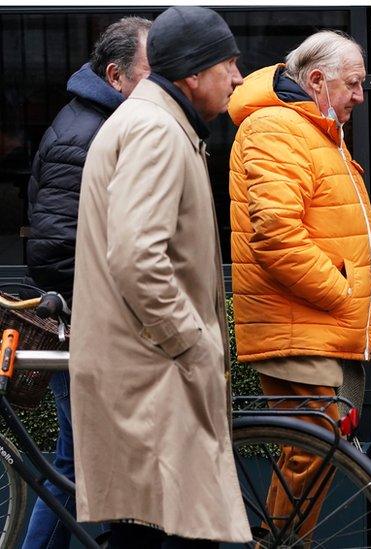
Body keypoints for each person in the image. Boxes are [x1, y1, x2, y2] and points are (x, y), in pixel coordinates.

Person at [68, 6, 249, 548]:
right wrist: (190, 340)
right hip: (153, 374)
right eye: (228, 65)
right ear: (193, 75)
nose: (238, 78)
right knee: (176, 531)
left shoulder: (153, 121)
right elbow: (136, 256)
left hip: (145, 372)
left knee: (149, 532)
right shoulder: (157, 130)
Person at [227, 29, 371, 540]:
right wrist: (342, 292)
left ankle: (283, 542)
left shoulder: (312, 128)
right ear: (317, 80)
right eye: (354, 84)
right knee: (310, 452)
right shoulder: (278, 128)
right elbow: (277, 235)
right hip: (300, 324)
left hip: (313, 325)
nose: (361, 95)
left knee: (311, 453)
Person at [23, 16, 152, 549]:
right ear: (117, 74)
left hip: (92, 322)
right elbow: (52, 250)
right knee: (77, 464)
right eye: (153, 70)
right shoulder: (87, 132)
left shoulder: (106, 121)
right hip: (82, 325)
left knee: (82, 463)